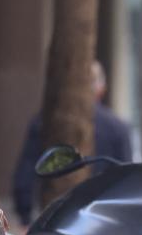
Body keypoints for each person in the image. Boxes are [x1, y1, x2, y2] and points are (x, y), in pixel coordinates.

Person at [12, 61, 132, 223]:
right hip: (103, 217)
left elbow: (26, 171)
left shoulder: (43, 121)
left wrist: (24, 215)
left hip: (54, 215)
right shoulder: (118, 128)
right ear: (101, 89)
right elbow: (125, 177)